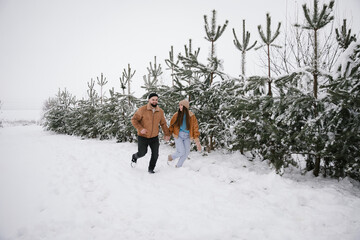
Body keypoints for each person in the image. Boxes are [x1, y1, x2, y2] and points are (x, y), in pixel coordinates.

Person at [131, 93, 170, 174]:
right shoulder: (142, 110)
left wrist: (167, 134)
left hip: (154, 137)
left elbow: (163, 123)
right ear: (149, 100)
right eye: (153, 99)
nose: (155, 101)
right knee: (142, 153)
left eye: (156, 100)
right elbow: (134, 120)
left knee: (155, 155)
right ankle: (135, 156)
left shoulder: (160, 111)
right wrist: (141, 129)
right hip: (143, 136)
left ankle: (151, 169)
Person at [168, 99, 201, 167]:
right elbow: (171, 125)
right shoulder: (176, 115)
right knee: (181, 151)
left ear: (185, 107)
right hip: (178, 135)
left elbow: (195, 128)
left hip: (187, 136)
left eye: (181, 105)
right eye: (179, 105)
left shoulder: (192, 116)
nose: (180, 106)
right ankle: (171, 157)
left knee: (186, 153)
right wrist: (168, 134)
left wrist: (197, 141)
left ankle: (178, 166)